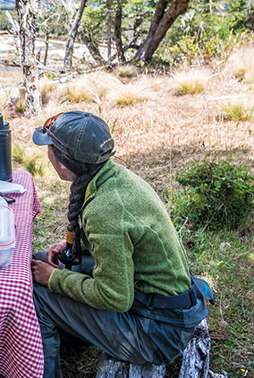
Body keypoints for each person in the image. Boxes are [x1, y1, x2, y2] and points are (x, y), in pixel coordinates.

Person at [30, 111, 210, 378]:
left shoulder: (106, 208)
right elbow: (119, 243)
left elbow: (115, 296)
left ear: (64, 163)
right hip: (155, 303)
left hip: (157, 331)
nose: (47, 154)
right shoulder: (110, 176)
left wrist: (56, 280)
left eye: (50, 148)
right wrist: (75, 247)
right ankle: (71, 331)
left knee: (40, 292)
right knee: (42, 259)